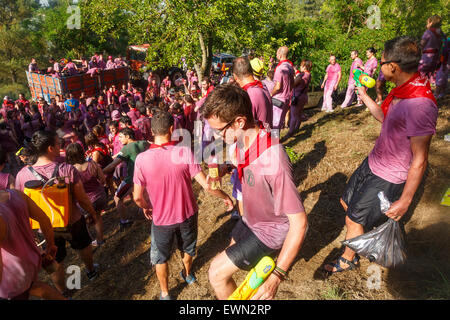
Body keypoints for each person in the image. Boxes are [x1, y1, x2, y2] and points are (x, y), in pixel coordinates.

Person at [324, 36, 438, 274]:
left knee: (353, 220)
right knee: (346, 202)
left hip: (389, 175)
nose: (378, 66)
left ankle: (348, 259)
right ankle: (370, 229)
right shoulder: (401, 91)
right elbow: (386, 118)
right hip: (373, 162)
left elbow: (420, 160)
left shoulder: (420, 104)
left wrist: (405, 201)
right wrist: (364, 96)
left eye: (382, 61)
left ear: (393, 66)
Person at [203, 84, 308, 300]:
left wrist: (276, 277)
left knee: (216, 273)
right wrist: (227, 168)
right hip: (250, 220)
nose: (216, 136)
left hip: (269, 231)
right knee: (230, 254)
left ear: (239, 122)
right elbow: (247, 165)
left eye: (219, 130)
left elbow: (299, 223)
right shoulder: (245, 137)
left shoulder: (273, 159)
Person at [133, 110, 233, 300]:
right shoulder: (184, 152)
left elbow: (137, 197)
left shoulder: (141, 160)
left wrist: (146, 206)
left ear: (152, 132)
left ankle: (165, 293)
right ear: (172, 129)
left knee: (160, 257)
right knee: (188, 248)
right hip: (187, 214)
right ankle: (187, 274)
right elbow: (206, 185)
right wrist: (224, 196)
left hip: (161, 220)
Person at [15, 130, 101, 295]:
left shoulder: (22, 175)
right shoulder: (66, 169)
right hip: (72, 220)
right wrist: (92, 212)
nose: (60, 146)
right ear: (49, 148)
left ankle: (65, 292)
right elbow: (82, 198)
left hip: (45, 227)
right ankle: (90, 271)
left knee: (54, 259)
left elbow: (22, 206)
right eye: (57, 143)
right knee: (82, 246)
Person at [0, 189, 66, 300]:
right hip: (31, 262)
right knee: (33, 287)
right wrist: (50, 245)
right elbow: (44, 219)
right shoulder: (16, 194)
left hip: (10, 279)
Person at [103, 128, 149, 229]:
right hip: (147, 176)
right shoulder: (145, 143)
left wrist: (100, 172)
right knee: (142, 195)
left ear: (128, 137)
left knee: (117, 198)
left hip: (132, 179)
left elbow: (112, 165)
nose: (119, 139)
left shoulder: (127, 148)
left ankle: (125, 221)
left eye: (121, 137)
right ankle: (144, 215)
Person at [65, 143, 105, 246]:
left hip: (83, 202)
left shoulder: (70, 171)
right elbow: (102, 180)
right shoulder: (92, 164)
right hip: (99, 196)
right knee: (98, 217)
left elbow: (69, 189)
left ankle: (90, 242)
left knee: (84, 222)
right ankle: (100, 240)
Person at [232, 57, 273, 129]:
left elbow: (245, 127)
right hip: (270, 136)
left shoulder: (248, 95)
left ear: (235, 76)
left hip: (260, 138)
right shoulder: (262, 86)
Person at [283, 60, 312, 141]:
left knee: (293, 115)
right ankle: (297, 128)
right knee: (299, 114)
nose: (300, 67)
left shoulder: (301, 75)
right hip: (304, 96)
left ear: (304, 66)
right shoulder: (309, 75)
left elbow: (293, 84)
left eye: (301, 65)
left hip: (297, 97)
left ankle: (290, 132)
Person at [271, 46, 295, 130]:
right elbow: (293, 83)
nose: (276, 55)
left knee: (275, 124)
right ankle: (276, 141)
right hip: (287, 98)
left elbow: (278, 87)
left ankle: (274, 142)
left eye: (277, 53)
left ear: (280, 54)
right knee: (280, 122)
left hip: (278, 99)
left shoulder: (280, 68)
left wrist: (270, 94)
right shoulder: (290, 67)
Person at [419, 15, 444, 80]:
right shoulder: (440, 34)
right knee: (431, 74)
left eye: (427, 23)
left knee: (421, 73)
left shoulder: (428, 32)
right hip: (436, 57)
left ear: (431, 23)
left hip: (426, 57)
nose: (426, 24)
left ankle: (422, 86)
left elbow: (422, 44)